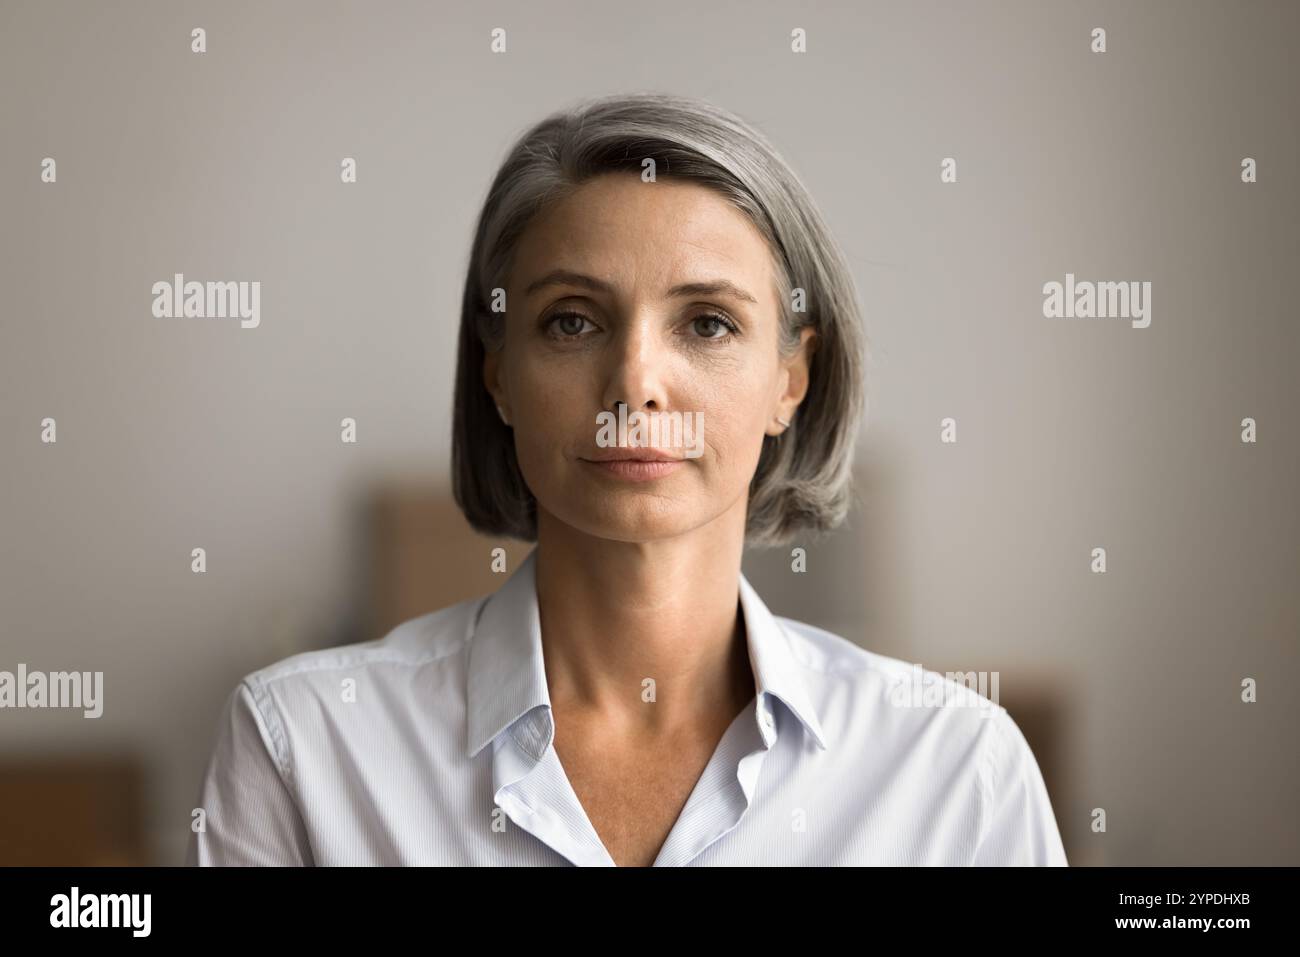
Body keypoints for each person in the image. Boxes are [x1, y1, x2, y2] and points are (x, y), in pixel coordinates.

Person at [187, 92, 1067, 866]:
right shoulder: (303, 744)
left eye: (709, 324)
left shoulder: (956, 770)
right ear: (497, 374)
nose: (636, 381)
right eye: (571, 322)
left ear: (789, 380)